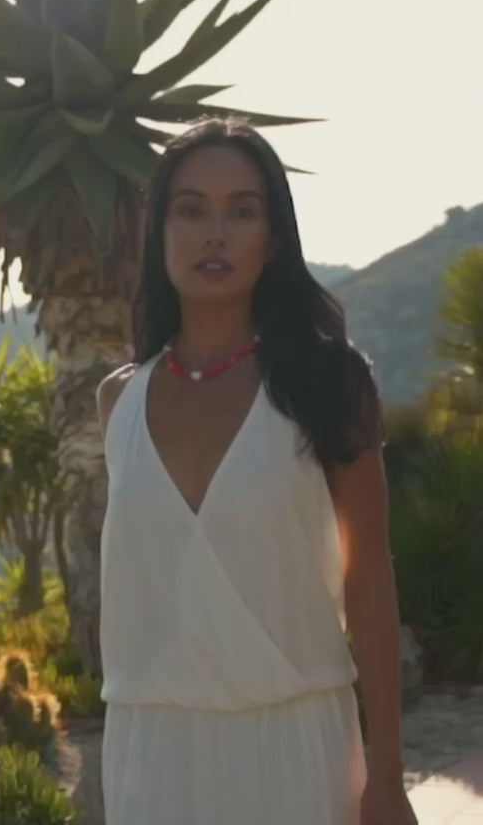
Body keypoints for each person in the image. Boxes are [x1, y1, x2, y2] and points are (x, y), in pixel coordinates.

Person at [96, 118, 418, 825]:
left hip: (299, 750)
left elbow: (368, 577)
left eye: (242, 211)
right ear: (161, 233)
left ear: (272, 240)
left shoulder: (328, 385)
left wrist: (387, 777)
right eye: (192, 210)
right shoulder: (119, 400)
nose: (216, 233)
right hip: (150, 756)